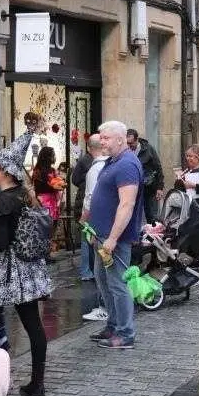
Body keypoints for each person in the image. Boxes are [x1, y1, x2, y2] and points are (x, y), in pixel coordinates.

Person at [0, 120, 53, 396]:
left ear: (6, 171)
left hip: (5, 272)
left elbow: (0, 242)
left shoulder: (2, 200)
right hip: (27, 271)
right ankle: (37, 383)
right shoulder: (23, 195)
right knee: (32, 325)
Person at [89, 121, 143, 349]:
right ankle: (113, 325)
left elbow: (126, 205)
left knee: (118, 284)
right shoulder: (113, 161)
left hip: (115, 239)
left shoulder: (127, 165)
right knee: (103, 280)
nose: (102, 142)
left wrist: (111, 238)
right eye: (101, 138)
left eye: (107, 138)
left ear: (121, 139)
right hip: (102, 236)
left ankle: (125, 333)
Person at [79, 135, 110, 322]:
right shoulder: (111, 166)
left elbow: (90, 199)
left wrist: (84, 220)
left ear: (90, 149)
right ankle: (108, 306)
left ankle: (105, 307)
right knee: (108, 268)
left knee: (100, 267)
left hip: (98, 225)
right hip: (110, 223)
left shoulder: (95, 170)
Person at [175, 145, 199, 266]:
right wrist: (179, 180)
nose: (188, 158)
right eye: (187, 156)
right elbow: (179, 188)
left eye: (191, 156)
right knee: (188, 230)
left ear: (198, 157)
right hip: (189, 206)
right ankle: (186, 255)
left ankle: (197, 258)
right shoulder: (187, 170)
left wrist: (193, 185)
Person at [74, 136, 104, 281]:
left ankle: (89, 270)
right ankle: (88, 270)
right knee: (90, 239)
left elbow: (75, 179)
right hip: (93, 206)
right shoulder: (96, 165)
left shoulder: (90, 164)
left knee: (88, 239)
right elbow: (89, 197)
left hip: (89, 205)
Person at [126, 129, 164, 224]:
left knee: (151, 215)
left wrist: (160, 188)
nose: (129, 146)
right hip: (133, 188)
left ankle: (154, 234)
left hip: (149, 187)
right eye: (127, 143)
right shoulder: (126, 151)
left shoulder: (148, 149)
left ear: (137, 140)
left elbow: (158, 167)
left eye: (131, 143)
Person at [31, 147, 63, 246]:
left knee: (49, 225)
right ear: (48, 157)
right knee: (45, 226)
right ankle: (44, 250)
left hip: (51, 200)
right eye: (53, 155)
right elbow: (40, 186)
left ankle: (47, 250)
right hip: (44, 201)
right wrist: (55, 187)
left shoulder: (49, 170)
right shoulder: (39, 171)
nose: (55, 157)